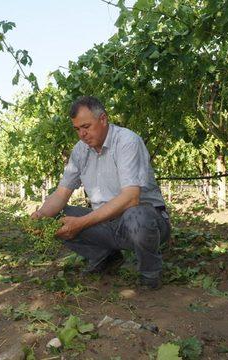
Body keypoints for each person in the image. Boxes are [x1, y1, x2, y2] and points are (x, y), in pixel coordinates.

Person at [31, 96, 170, 289]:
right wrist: (41, 216)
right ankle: (106, 257)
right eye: (77, 129)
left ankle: (149, 273)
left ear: (103, 119)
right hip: (106, 222)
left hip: (146, 220)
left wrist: (80, 223)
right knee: (54, 219)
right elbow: (61, 193)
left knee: (136, 215)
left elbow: (131, 198)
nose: (82, 134)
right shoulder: (80, 151)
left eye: (86, 126)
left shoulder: (126, 141)